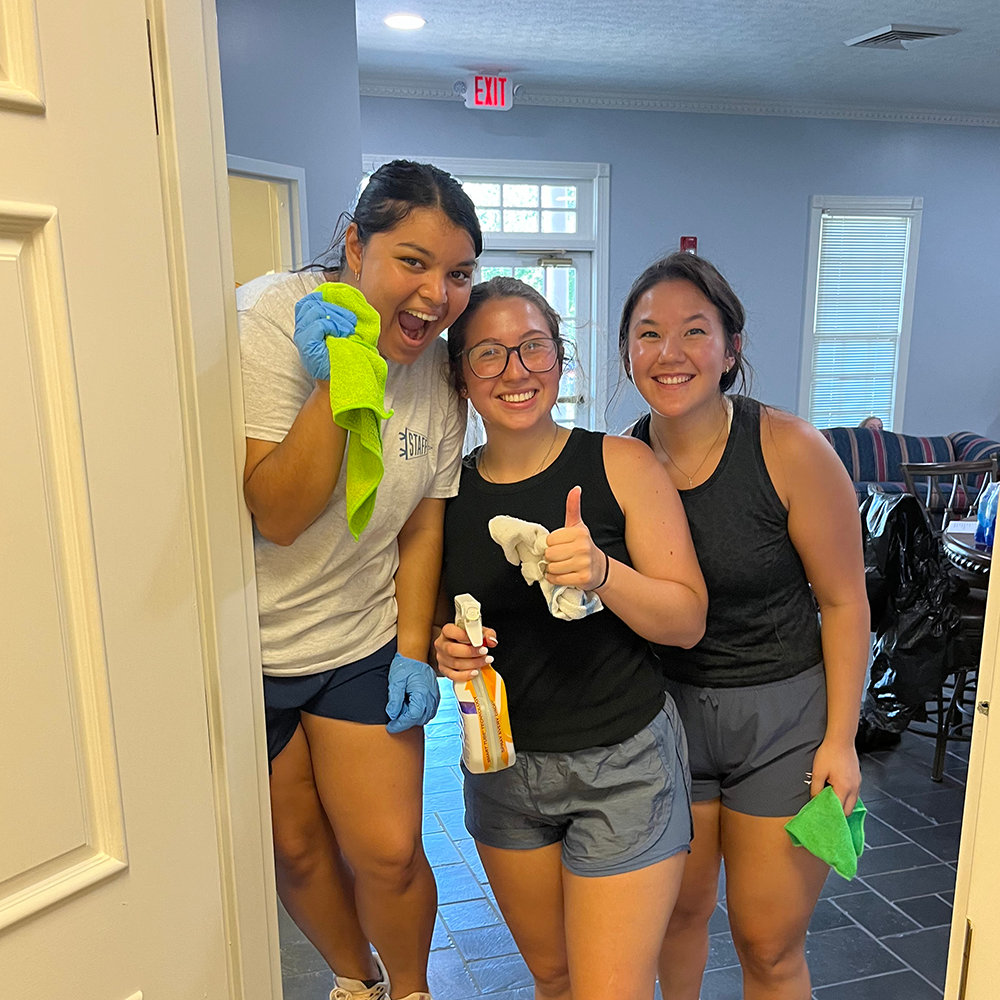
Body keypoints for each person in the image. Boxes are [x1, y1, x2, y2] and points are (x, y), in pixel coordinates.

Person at [238, 160, 482, 1000]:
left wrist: (412, 650)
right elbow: (276, 511)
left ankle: (412, 991)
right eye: (411, 261)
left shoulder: (443, 377)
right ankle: (357, 980)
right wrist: (337, 380)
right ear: (355, 242)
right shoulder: (274, 320)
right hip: (248, 652)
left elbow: (422, 525)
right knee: (297, 846)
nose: (435, 294)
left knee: (386, 849)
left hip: (358, 639)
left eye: (457, 274)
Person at [433, 277, 709, 1000]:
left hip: (623, 766)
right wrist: (447, 653)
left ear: (561, 358)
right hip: (502, 774)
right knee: (554, 980)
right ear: (459, 372)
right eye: (488, 354)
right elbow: (444, 625)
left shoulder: (620, 464)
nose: (515, 371)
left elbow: (686, 621)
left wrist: (604, 572)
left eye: (532, 348)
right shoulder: (446, 495)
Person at [619, 252, 868, 1000]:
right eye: (648, 333)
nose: (670, 353)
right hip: (667, 721)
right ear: (628, 351)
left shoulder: (790, 449)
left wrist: (842, 741)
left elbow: (847, 602)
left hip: (785, 722)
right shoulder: (623, 462)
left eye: (695, 331)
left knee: (767, 944)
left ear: (731, 349)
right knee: (678, 918)